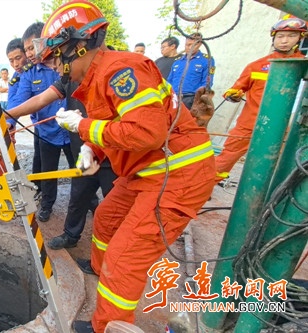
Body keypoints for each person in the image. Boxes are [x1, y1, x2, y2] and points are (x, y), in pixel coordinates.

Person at [36, 1, 215, 332]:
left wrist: (83, 128)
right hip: (145, 172)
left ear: (78, 46)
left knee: (125, 257)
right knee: (105, 220)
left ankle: (108, 324)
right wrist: (92, 149)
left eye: (58, 56)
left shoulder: (120, 71)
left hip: (175, 175)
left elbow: (147, 132)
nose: (57, 67)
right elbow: (116, 126)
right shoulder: (96, 79)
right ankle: (106, 280)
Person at [6, 51, 117, 250]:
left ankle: (113, 250)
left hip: (114, 155)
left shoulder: (113, 73)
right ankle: (71, 235)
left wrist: (83, 125)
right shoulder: (69, 77)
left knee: (113, 208)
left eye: (58, 64)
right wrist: (3, 116)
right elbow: (39, 100)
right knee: (78, 193)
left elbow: (137, 130)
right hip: (87, 148)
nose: (57, 70)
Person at [215, 17, 307, 183]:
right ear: (273, 38)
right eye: (280, 36)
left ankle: (272, 203)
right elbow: (236, 88)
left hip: (285, 129)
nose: (284, 41)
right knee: (224, 160)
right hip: (249, 125)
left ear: (300, 38)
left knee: (285, 168)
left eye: (291, 36)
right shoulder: (257, 66)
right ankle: (202, 190)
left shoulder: (304, 66)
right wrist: (233, 94)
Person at [8, 22, 74, 222]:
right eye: (26, 49)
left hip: (74, 132)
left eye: (31, 48)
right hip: (47, 133)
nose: (29, 54)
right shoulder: (30, 73)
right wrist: (9, 121)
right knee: (47, 173)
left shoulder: (66, 61)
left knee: (82, 172)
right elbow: (21, 99)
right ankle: (47, 205)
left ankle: (90, 204)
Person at [168, 32, 215, 109]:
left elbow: (207, 83)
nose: (190, 47)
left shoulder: (206, 60)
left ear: (200, 44)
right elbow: (169, 81)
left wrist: (198, 100)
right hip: (174, 98)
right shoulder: (178, 61)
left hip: (191, 99)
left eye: (194, 45)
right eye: (188, 45)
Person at [6, 38, 28, 105]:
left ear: (26, 54)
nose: (15, 64)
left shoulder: (35, 70)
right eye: (11, 61)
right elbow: (12, 103)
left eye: (18, 58)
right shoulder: (15, 78)